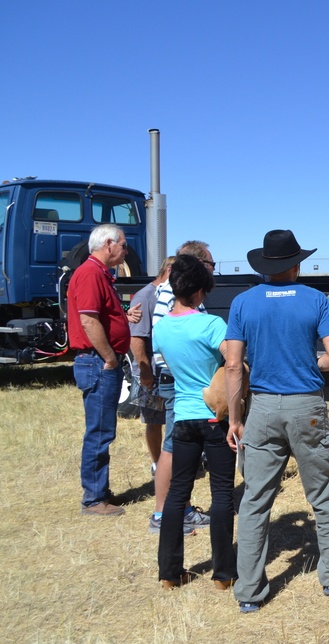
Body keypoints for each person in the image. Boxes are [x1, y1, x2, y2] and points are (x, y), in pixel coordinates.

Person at [224, 229, 329, 613]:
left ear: (264, 265)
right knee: (323, 494)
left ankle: (249, 592)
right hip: (306, 408)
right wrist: (308, 363)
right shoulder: (316, 300)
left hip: (261, 408)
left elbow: (233, 365)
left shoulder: (243, 302)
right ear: (297, 265)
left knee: (255, 500)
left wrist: (234, 417)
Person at [153, 254, 237, 589]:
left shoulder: (161, 329)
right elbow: (233, 362)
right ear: (200, 291)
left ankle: (169, 573)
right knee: (221, 495)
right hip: (214, 417)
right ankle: (223, 574)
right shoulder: (212, 325)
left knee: (176, 495)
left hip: (183, 417)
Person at [148, 241, 215, 535]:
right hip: (178, 380)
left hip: (178, 379)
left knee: (176, 446)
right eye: (211, 266)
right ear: (199, 266)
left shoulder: (180, 296)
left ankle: (181, 508)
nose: (214, 272)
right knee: (173, 448)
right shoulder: (172, 296)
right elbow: (170, 340)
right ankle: (163, 514)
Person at [67, 224, 133, 516]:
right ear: (109, 244)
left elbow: (101, 316)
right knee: (99, 432)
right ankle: (94, 499)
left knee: (103, 429)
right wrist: (109, 358)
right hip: (97, 362)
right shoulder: (91, 274)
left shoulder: (98, 274)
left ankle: (99, 491)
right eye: (124, 245)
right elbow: (89, 321)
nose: (126, 251)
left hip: (99, 361)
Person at [129, 256, 175, 477]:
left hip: (164, 370)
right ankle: (158, 464)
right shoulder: (145, 297)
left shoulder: (166, 294)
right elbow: (136, 339)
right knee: (154, 420)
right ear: (168, 270)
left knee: (168, 419)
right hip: (151, 373)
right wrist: (145, 372)